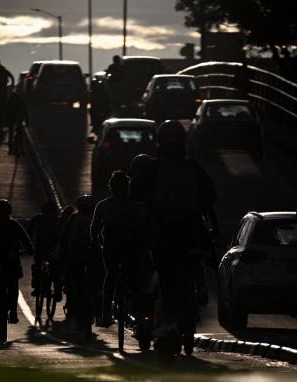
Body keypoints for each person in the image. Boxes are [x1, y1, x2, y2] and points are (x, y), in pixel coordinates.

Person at [147, 120, 218, 353]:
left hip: (163, 234)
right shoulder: (192, 167)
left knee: (161, 274)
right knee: (202, 253)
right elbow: (209, 198)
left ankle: (161, 312)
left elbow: (140, 197)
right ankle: (200, 286)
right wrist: (214, 227)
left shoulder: (154, 168)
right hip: (190, 232)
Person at [90, 171, 147, 327]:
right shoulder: (136, 207)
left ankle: (106, 311)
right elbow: (143, 229)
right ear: (127, 187)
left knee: (111, 274)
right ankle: (140, 314)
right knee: (135, 278)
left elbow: (94, 228)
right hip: (131, 247)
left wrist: (95, 243)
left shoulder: (103, 205)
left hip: (111, 247)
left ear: (111, 187)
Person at [60, 195, 102, 333]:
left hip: (77, 254)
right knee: (98, 279)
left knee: (73, 282)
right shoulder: (96, 218)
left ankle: (73, 306)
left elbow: (64, 236)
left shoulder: (74, 218)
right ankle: (99, 305)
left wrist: (62, 252)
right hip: (93, 254)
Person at [27, 201, 61, 300]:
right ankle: (58, 291)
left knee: (37, 267)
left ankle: (37, 288)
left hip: (40, 246)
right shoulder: (58, 220)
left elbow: (29, 232)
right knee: (56, 270)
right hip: (54, 248)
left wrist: (28, 246)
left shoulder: (37, 218)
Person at [5, 90, 28, 155]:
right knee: (18, 134)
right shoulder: (20, 102)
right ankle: (20, 149)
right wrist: (26, 120)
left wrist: (6, 121)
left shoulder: (10, 102)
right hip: (17, 119)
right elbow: (25, 112)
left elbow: (6, 113)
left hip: (13, 119)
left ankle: (13, 148)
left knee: (13, 133)